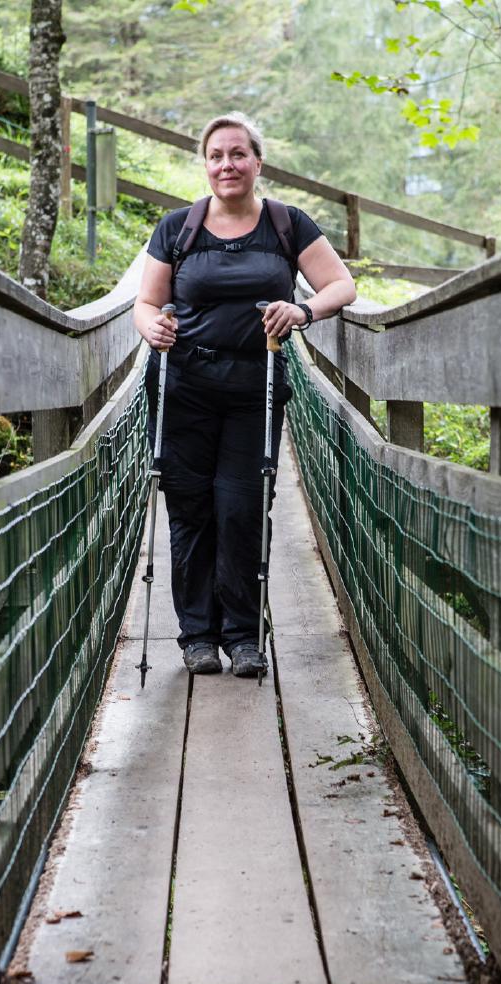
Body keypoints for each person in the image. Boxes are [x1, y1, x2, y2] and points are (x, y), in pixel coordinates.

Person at [134, 111, 356, 678]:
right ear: (205, 165)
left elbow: (342, 285)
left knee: (242, 506)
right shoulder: (177, 228)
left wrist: (303, 309)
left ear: (258, 162)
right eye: (216, 156)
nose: (226, 165)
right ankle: (198, 637)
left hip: (254, 390)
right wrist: (149, 326)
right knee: (190, 507)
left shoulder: (286, 224)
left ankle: (244, 636)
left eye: (237, 154)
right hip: (185, 387)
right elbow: (144, 302)